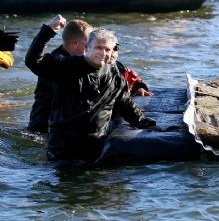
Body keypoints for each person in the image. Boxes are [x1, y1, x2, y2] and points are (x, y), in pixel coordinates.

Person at [25, 14, 156, 162]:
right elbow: (33, 60)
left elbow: (125, 103)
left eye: (108, 49)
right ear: (87, 47)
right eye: (99, 48)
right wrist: (48, 30)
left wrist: (146, 123)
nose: (103, 53)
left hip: (94, 147)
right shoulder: (64, 66)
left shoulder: (114, 74)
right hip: (62, 148)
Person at [27, 19, 92, 133]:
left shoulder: (79, 60)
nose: (92, 47)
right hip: (43, 128)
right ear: (76, 43)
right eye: (89, 43)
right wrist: (49, 30)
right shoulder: (55, 64)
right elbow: (33, 60)